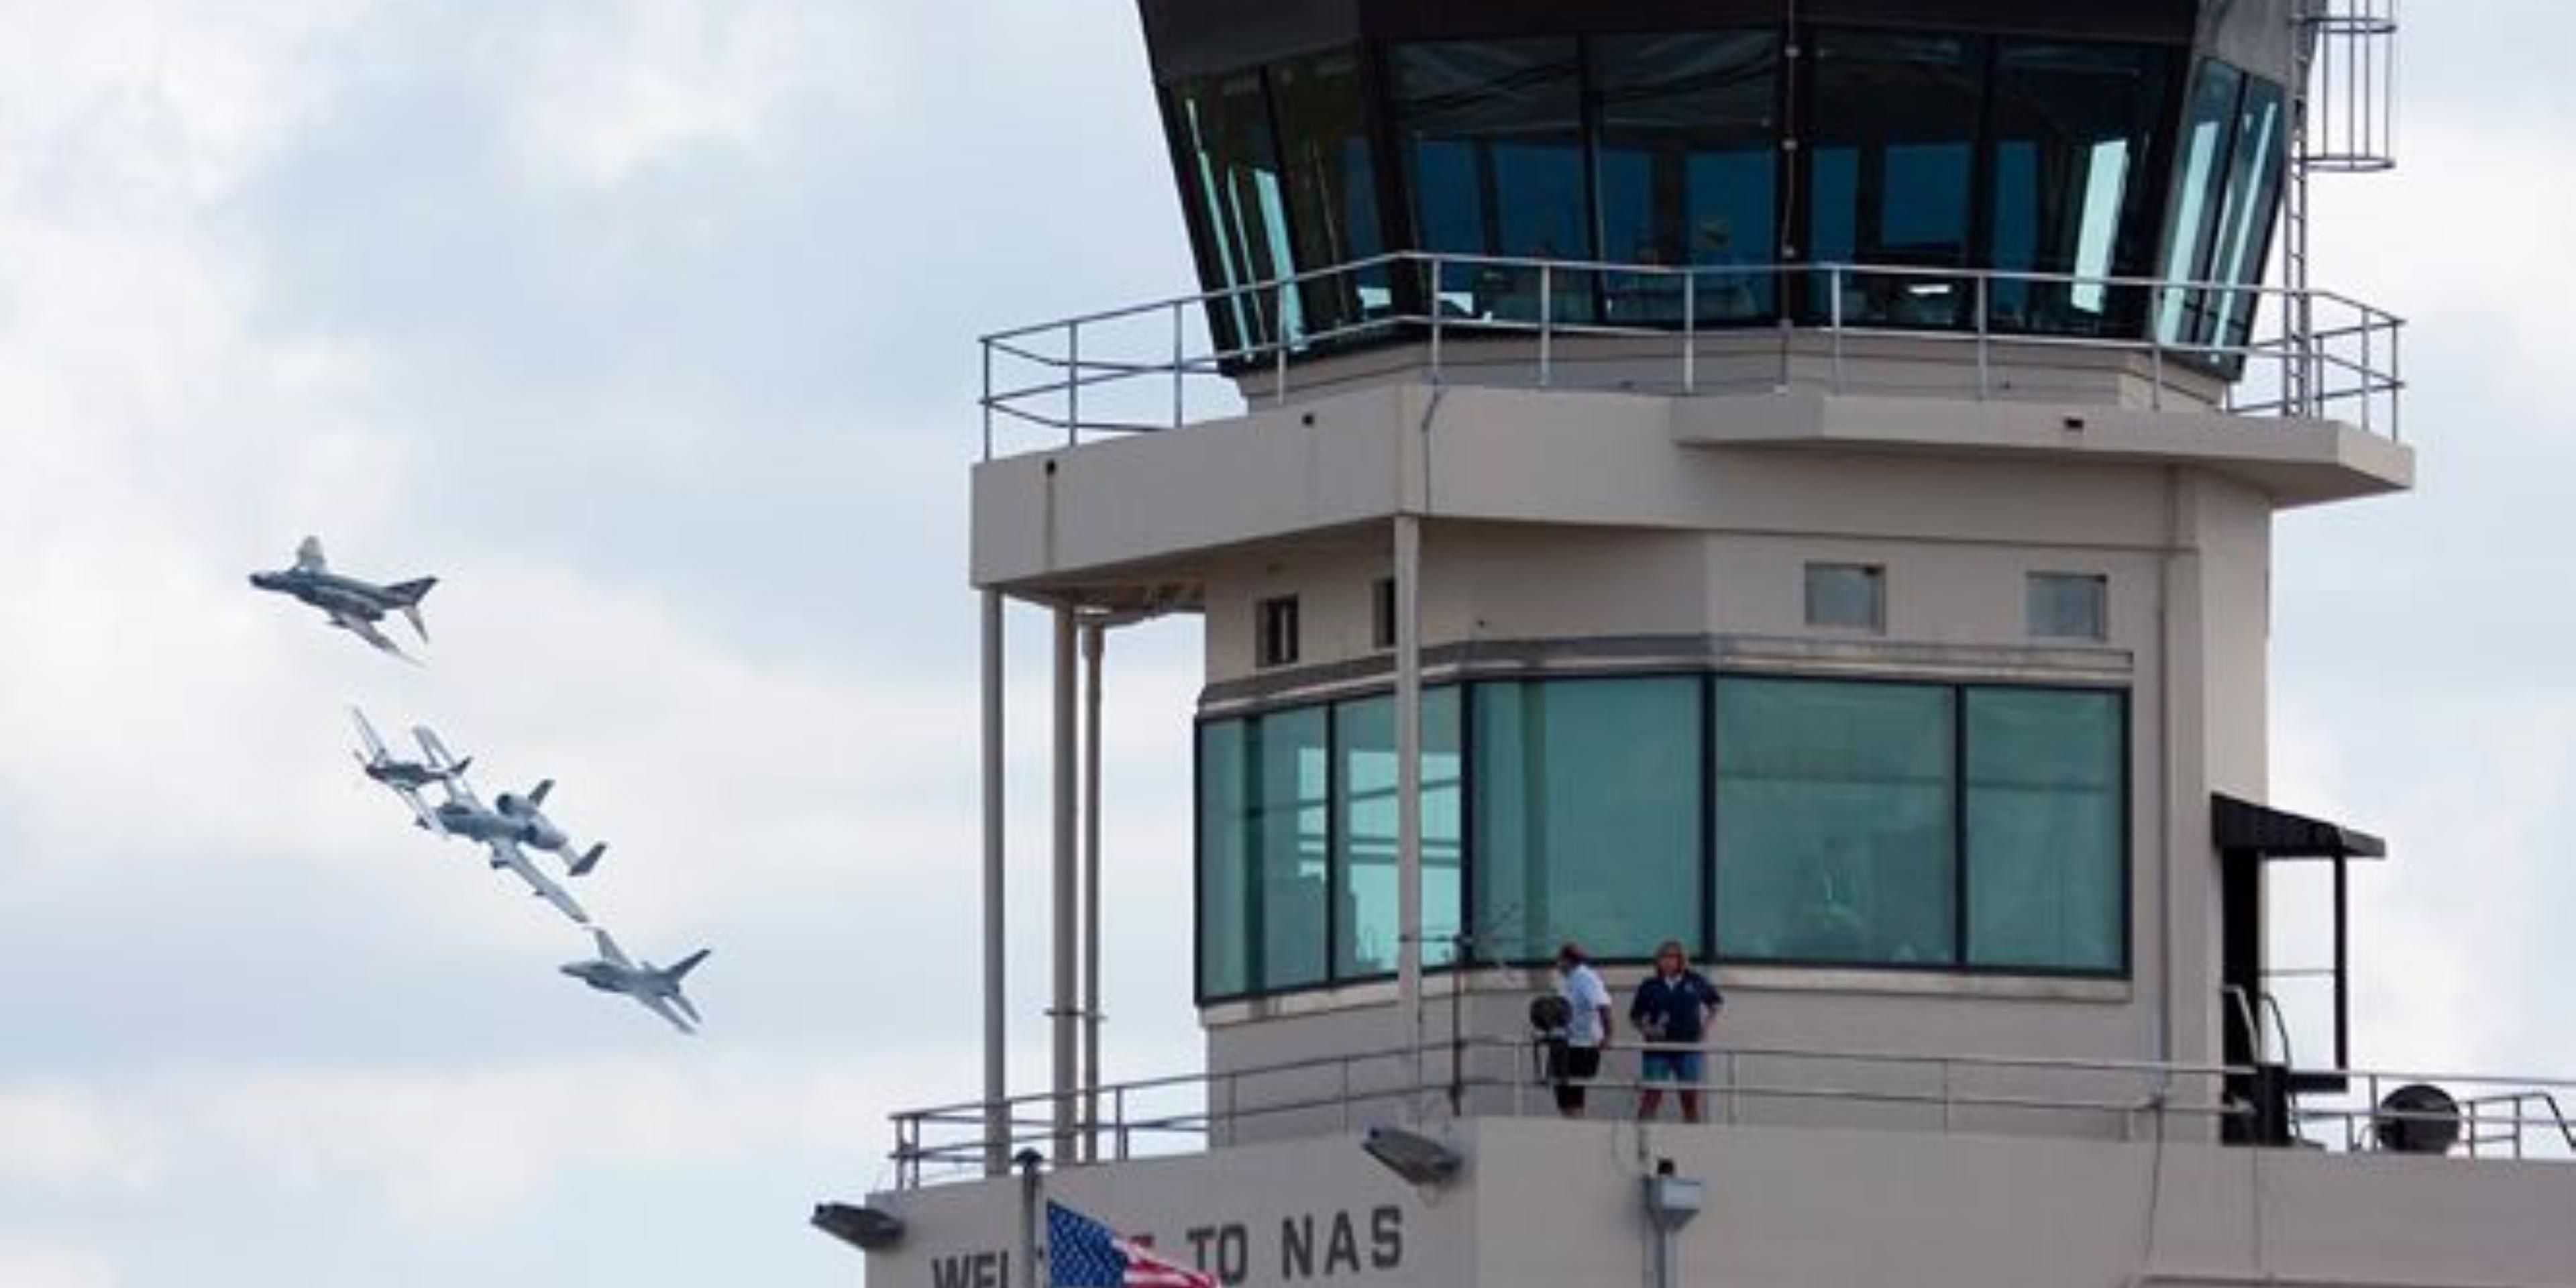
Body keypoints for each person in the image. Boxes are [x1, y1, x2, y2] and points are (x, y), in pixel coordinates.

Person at [1630, 940, 1723, 1123]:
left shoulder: (1695, 981)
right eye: (1663, 957)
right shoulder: (1650, 985)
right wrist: (1648, 1029)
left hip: (1687, 1047)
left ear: (1681, 959)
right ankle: (1641, 1135)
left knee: (1689, 1099)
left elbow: (1716, 1003)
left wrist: (1705, 1027)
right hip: (1658, 1049)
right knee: (1651, 1097)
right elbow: (1635, 1016)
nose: (1667, 961)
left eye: (1672, 957)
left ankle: (1692, 1136)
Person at [1548, 942, 1612, 1118]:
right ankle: (1570, 1125)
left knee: (1574, 1092)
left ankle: (1577, 1126)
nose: (1557, 965)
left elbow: (1603, 1006)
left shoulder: (1586, 978)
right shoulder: (1565, 980)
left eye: (1560, 960)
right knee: (1563, 1093)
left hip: (1581, 1044)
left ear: (1568, 960)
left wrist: (1608, 1035)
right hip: (1564, 1043)